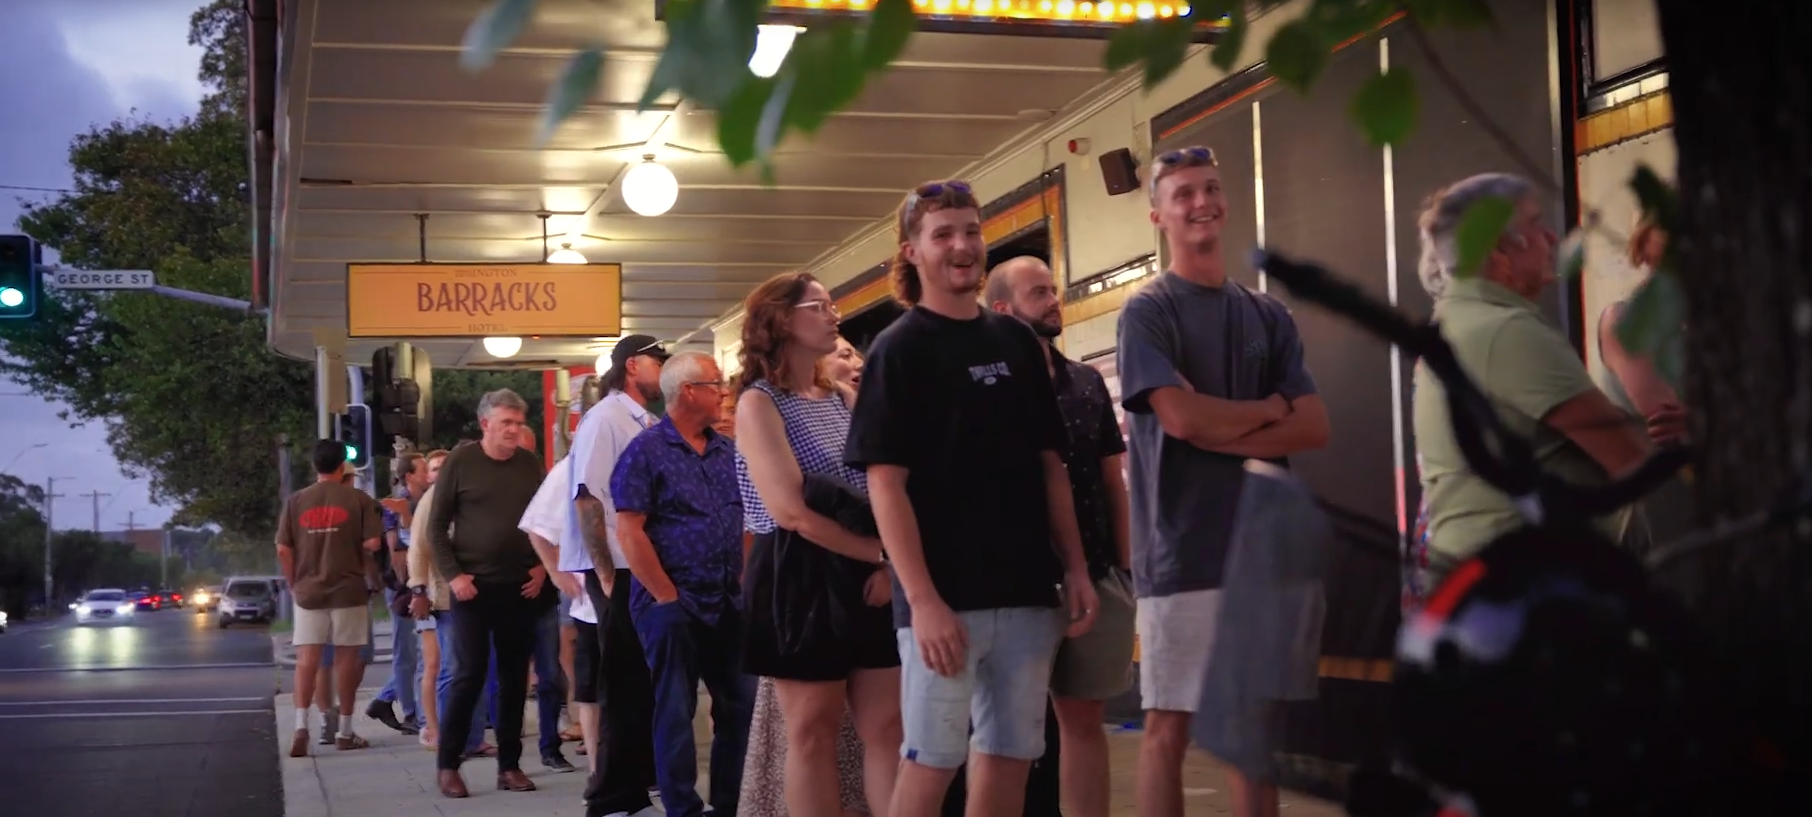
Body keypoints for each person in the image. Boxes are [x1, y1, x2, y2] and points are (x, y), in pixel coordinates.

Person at [844, 179, 1098, 817]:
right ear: (912, 252)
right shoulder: (896, 352)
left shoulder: (1016, 342)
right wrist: (922, 600)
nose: (962, 245)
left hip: (1027, 593)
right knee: (930, 760)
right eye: (943, 234)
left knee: (1011, 754)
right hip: (943, 603)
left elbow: (1050, 464)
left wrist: (1074, 567)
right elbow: (885, 485)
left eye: (971, 230)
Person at [1117, 146, 1329, 817]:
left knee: (1253, 734)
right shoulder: (1147, 312)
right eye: (1183, 194)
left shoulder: (1267, 315)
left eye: (1210, 188)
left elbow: (1314, 425)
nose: (1200, 202)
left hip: (1261, 553)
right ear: (1158, 214)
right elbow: (1179, 419)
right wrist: (1269, 409)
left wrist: (1223, 426)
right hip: (1182, 552)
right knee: (1168, 729)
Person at [1412, 172, 1655, 581]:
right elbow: (1631, 458)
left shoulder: (1458, 320)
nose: (1550, 239)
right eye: (1535, 225)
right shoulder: (1506, 331)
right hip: (1533, 580)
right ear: (1497, 250)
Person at [735, 272, 901, 817]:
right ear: (782, 320)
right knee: (812, 730)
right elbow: (790, 512)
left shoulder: (844, 398)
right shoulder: (758, 404)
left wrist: (888, 562)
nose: (835, 316)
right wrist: (879, 555)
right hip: (798, 574)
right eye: (820, 306)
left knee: (888, 726)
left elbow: (885, 485)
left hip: (867, 564)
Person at [986, 256, 1135, 817]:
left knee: (1083, 723)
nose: (1055, 300)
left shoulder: (1085, 381)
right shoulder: (988, 389)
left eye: (1054, 289)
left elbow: (1110, 478)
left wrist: (1122, 566)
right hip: (1020, 582)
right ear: (1003, 309)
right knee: (1013, 734)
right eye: (1038, 292)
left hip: (1096, 575)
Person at [612, 350, 756, 817]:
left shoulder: (728, 451)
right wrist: (666, 597)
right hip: (670, 603)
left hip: (726, 600)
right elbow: (630, 530)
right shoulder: (646, 450)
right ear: (690, 391)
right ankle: (682, 807)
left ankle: (729, 804)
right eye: (717, 384)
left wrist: (741, 578)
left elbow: (746, 521)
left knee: (740, 703)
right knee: (675, 708)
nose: (725, 394)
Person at [425, 389, 552, 798]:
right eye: (506, 424)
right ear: (485, 425)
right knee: (468, 674)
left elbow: (546, 521)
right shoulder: (461, 462)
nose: (514, 430)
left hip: (521, 586)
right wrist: (454, 576)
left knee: (515, 680)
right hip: (473, 588)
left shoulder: (530, 465)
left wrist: (541, 566)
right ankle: (448, 764)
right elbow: (435, 527)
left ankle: (510, 766)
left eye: (518, 423)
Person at [566, 334, 669, 817]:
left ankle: (631, 786)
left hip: (638, 565)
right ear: (633, 366)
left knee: (640, 682)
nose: (663, 370)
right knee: (623, 683)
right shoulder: (606, 418)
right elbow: (587, 496)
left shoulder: (643, 418)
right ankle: (607, 795)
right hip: (619, 569)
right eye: (658, 360)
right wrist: (605, 575)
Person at [280, 439, 384, 758]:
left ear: (315, 466)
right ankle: (345, 731)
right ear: (343, 467)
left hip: (308, 591)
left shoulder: (296, 501)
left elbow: (283, 548)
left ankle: (300, 726)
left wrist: (293, 582)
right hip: (348, 591)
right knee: (347, 661)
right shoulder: (358, 500)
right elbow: (374, 544)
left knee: (307, 661)